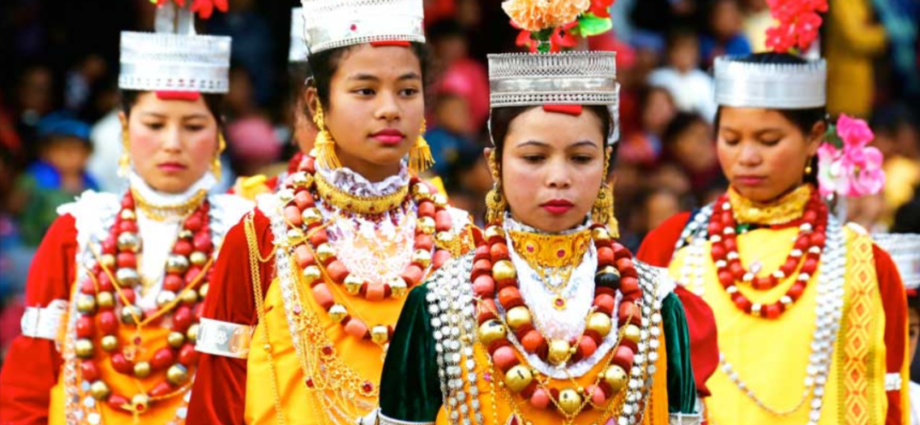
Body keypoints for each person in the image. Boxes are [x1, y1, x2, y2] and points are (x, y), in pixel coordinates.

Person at [378, 12, 710, 422]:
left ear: (605, 167)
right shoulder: (439, 304)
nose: (559, 178)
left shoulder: (657, 303)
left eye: (581, 158)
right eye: (534, 158)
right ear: (494, 164)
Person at [186, 1, 476, 423]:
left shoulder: (460, 238)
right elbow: (217, 396)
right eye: (365, 90)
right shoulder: (261, 236)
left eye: (407, 91)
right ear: (316, 101)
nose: (390, 108)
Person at [0, 1, 251, 423]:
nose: (173, 143)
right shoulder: (77, 230)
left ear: (219, 133)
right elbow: (30, 370)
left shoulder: (242, 234)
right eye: (154, 124)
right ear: (123, 128)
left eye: (193, 126)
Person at [638, 51, 910, 423]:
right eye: (731, 139)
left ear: (814, 137)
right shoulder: (673, 244)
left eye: (768, 140)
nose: (747, 157)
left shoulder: (865, 262)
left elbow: (890, 399)